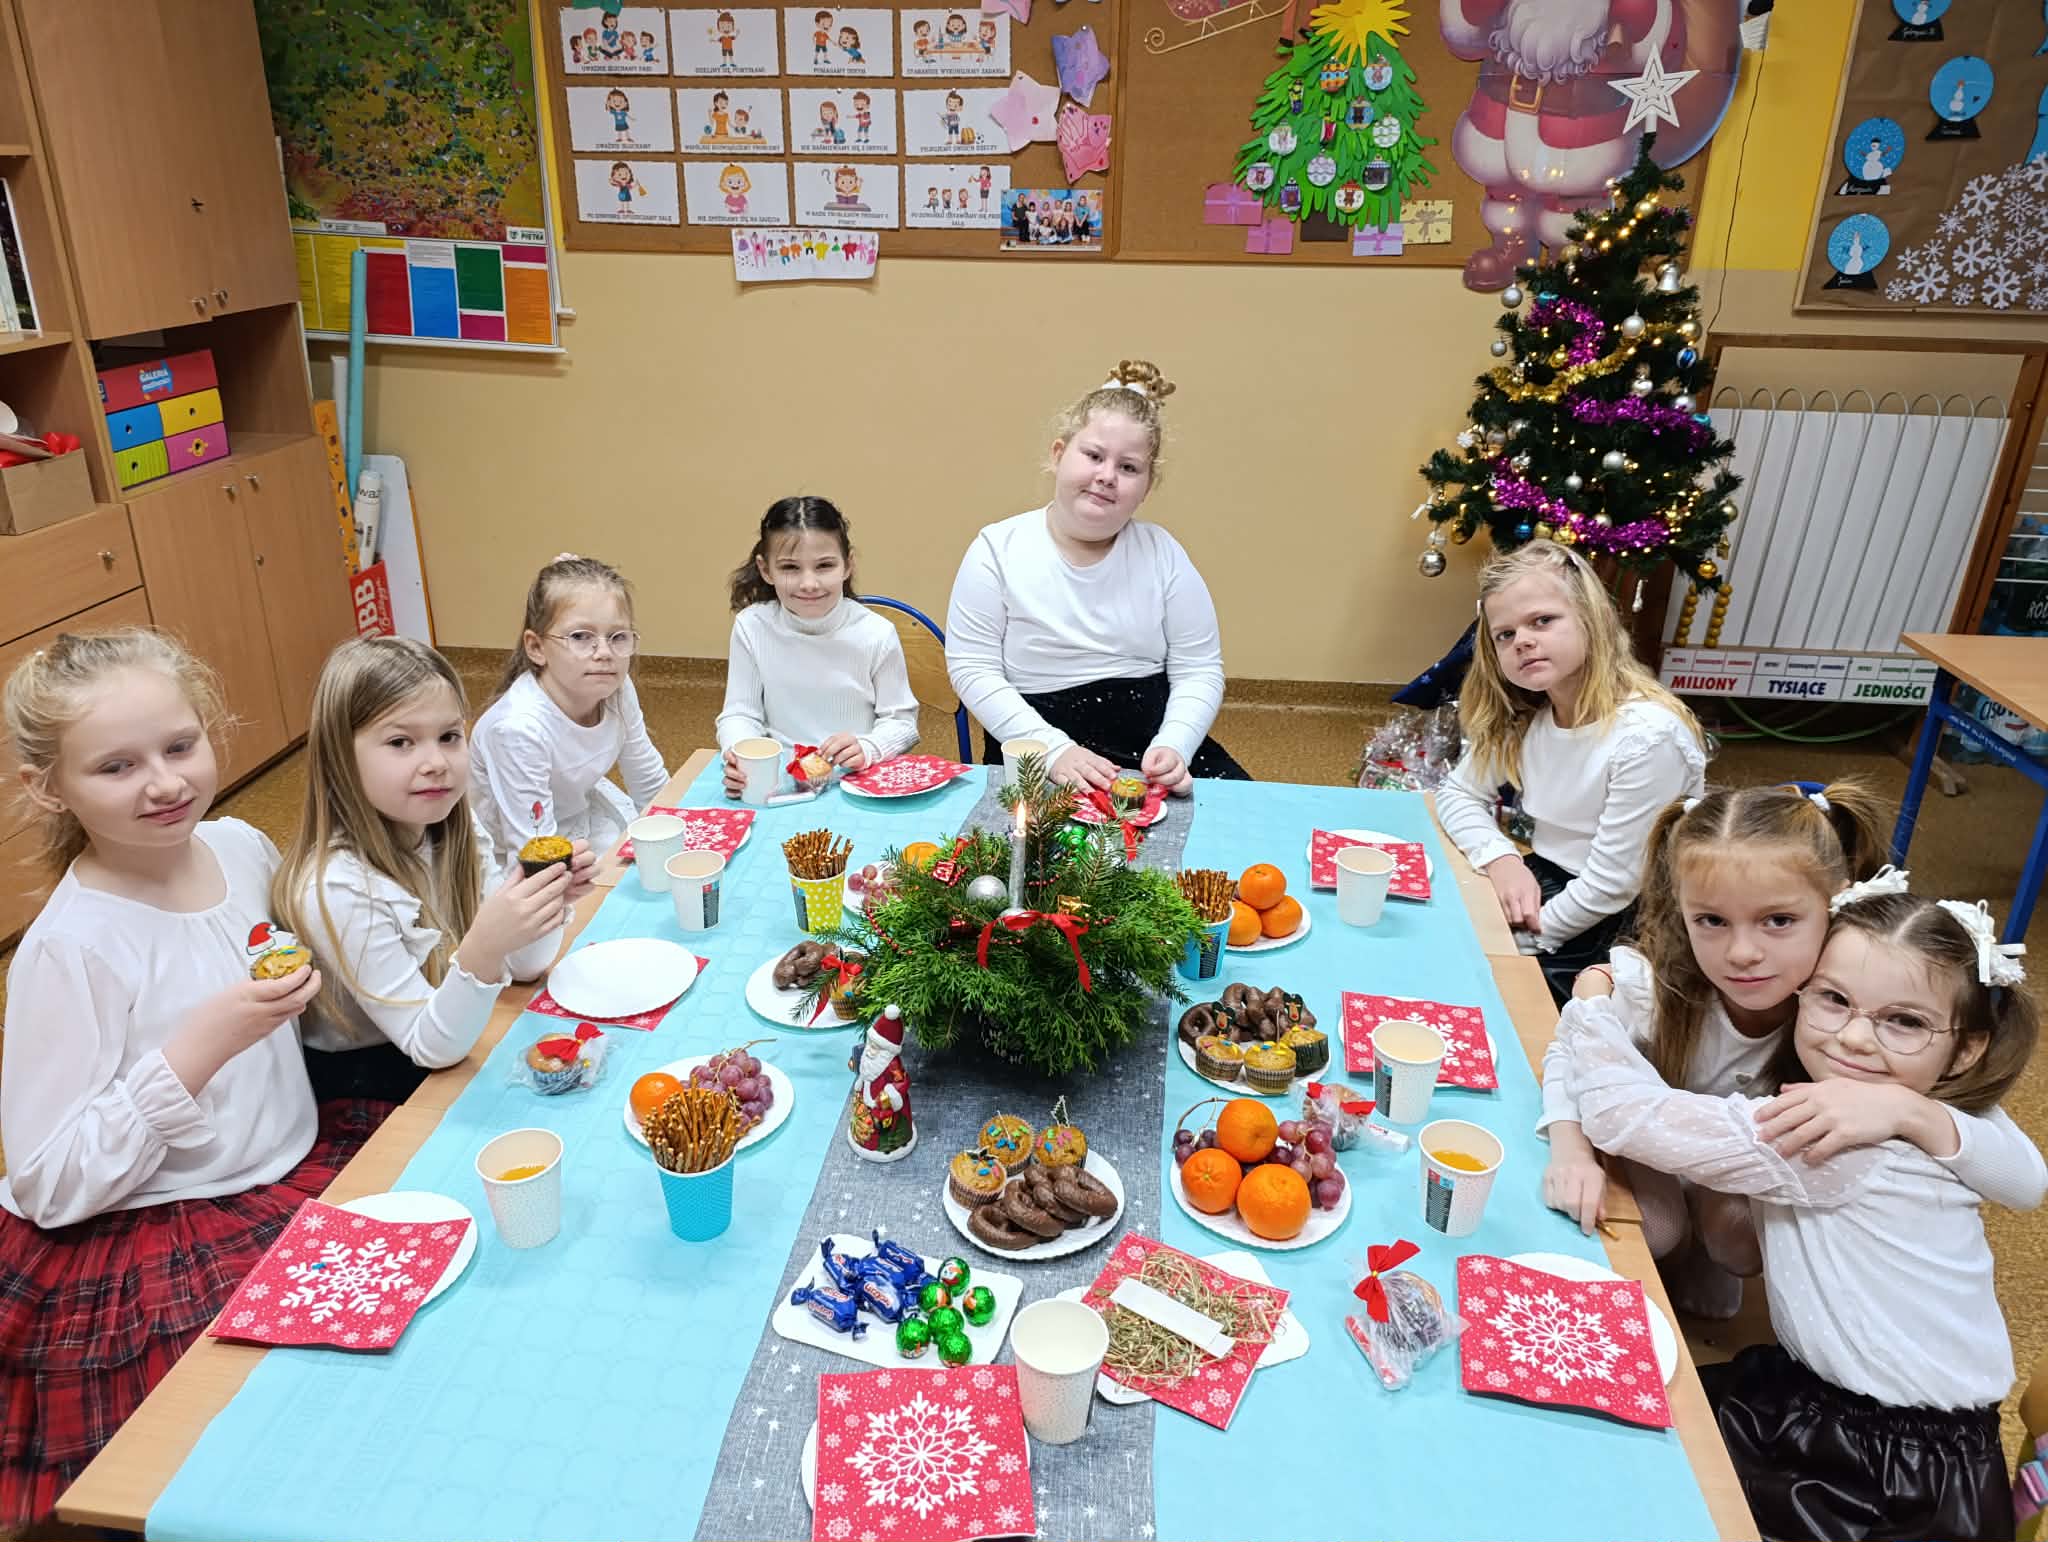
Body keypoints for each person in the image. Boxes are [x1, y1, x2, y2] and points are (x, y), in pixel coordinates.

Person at [0, 630, 379, 1529]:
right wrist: (196, 1048)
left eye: (179, 746)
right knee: (252, 1453)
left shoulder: (239, 845)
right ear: (49, 787)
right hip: (165, 1221)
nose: (165, 783)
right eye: (117, 767)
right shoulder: (72, 947)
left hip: (293, 1152)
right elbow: (46, 1181)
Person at [1557, 887, 2038, 1542]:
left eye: (1904, 1021)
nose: (1855, 1037)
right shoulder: (1935, 1107)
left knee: (1614, 1469)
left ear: (1966, 1050)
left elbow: (1620, 1112)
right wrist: (1911, 1107)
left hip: (1884, 1475)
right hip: (1891, 1425)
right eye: (1834, 999)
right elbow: (2028, 1177)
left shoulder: (1830, 1131)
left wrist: (1590, 1000)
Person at [1541, 786, 2045, 1319]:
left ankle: (1699, 1251)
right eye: (1711, 921)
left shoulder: (1857, 1001)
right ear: (1680, 912)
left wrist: (1906, 1109)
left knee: (1737, 1242)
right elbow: (1571, 1053)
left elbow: (2026, 1179)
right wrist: (1572, 1150)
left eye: (1778, 921)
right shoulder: (1656, 988)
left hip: (1738, 1169)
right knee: (1659, 1229)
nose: (1743, 953)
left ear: (1836, 906)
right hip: (1653, 1147)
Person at [275, 639, 595, 1107]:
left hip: (448, 1029)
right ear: (339, 757)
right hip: (374, 1083)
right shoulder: (336, 886)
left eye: (449, 736)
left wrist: (546, 904)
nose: (436, 764)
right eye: (400, 743)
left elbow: (526, 967)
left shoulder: (449, 828)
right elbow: (431, 1049)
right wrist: (485, 946)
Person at [945, 359, 1243, 793]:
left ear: (1147, 486)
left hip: (1151, 743)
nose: (1107, 476)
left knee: (1246, 826)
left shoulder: (1163, 554)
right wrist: (1051, 749)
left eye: (1129, 467)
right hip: (1034, 745)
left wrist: (1176, 744)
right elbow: (973, 667)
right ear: (1058, 454)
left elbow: (1199, 668)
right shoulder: (997, 549)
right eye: (1094, 456)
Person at [1435, 539, 1707, 1001]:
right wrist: (1500, 859)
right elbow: (1458, 793)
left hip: (1624, 923)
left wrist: (1520, 942)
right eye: (1505, 634)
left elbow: (1613, 885)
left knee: (1481, 992)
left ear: (1590, 619)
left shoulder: (1648, 736)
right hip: (1552, 880)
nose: (1523, 640)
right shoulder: (1530, 713)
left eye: (1542, 620)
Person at [468, 554, 668, 862]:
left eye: (618, 637)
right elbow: (535, 852)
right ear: (536, 647)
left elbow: (648, 780)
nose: (604, 653)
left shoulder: (614, 687)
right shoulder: (517, 730)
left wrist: (678, 837)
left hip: (577, 817)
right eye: (580, 637)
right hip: (516, 852)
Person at [717, 496, 918, 796]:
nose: (809, 583)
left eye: (824, 565)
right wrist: (739, 754)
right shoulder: (752, 626)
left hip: (857, 782)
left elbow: (902, 722)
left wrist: (869, 747)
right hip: (779, 782)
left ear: (848, 565)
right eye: (790, 567)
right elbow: (740, 714)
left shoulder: (876, 633)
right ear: (765, 569)